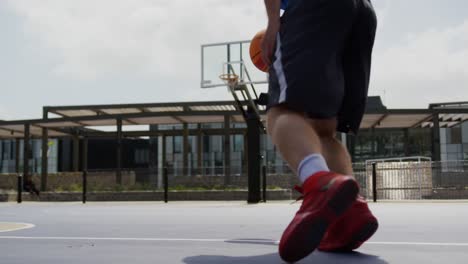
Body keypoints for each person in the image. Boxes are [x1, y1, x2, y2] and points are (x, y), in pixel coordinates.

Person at [261, 0, 378, 262]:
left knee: (282, 110)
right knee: (323, 126)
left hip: (313, 7)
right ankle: (350, 211)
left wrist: (273, 24)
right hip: (361, 12)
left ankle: (317, 182)